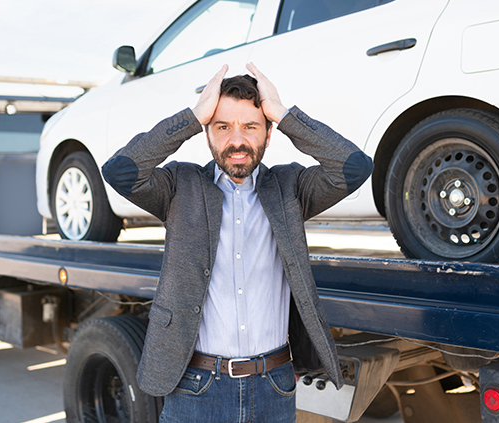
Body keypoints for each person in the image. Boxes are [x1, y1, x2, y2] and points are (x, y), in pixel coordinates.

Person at [102, 63, 374, 422]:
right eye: (223, 127)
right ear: (208, 133)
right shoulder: (179, 186)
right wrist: (193, 115)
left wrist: (284, 113)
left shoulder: (289, 187)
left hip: (273, 386)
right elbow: (121, 170)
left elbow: (353, 167)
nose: (237, 140)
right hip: (195, 386)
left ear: (268, 133)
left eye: (250, 126)